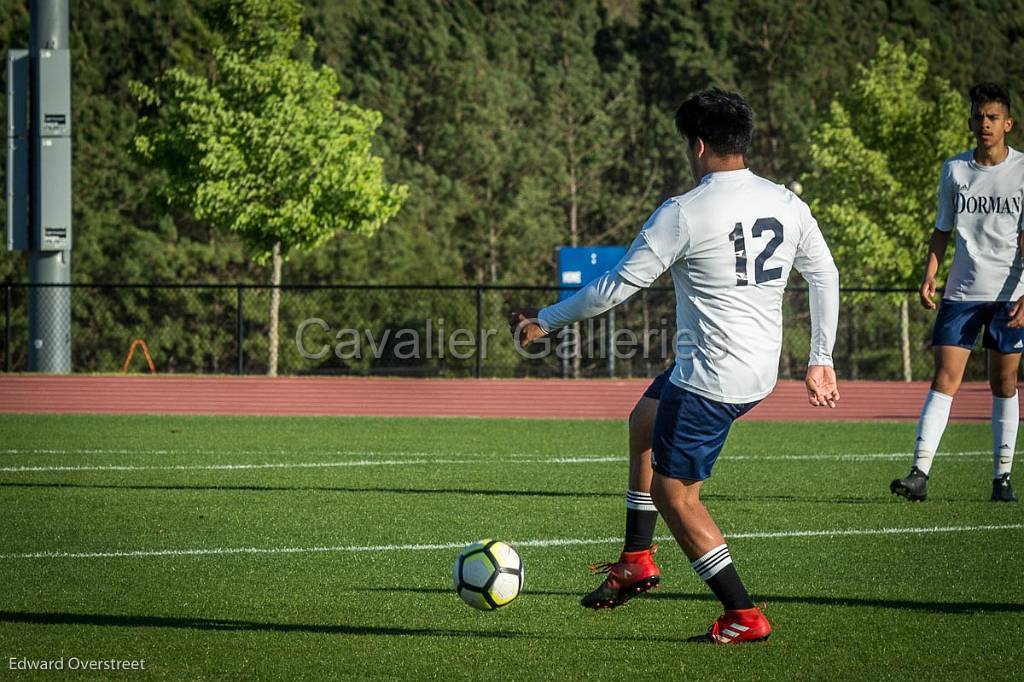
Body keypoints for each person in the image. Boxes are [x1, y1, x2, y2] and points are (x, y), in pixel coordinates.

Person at [509, 88, 840, 644]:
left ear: (700, 144)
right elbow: (824, 275)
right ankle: (637, 557)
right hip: (757, 369)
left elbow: (615, 287)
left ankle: (742, 614)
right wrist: (820, 358)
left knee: (675, 495)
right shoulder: (788, 203)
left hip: (710, 378)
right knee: (643, 421)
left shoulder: (684, 211)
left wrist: (544, 319)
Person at [890, 83, 1024, 504]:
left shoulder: (1023, 170)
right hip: (962, 292)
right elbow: (942, 229)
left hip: (1010, 294)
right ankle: (919, 472)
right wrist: (930, 274)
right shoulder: (955, 170)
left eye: (992, 117)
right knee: (944, 379)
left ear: (1007, 123)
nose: (984, 124)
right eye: (978, 117)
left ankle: (1001, 479)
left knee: (1003, 383)